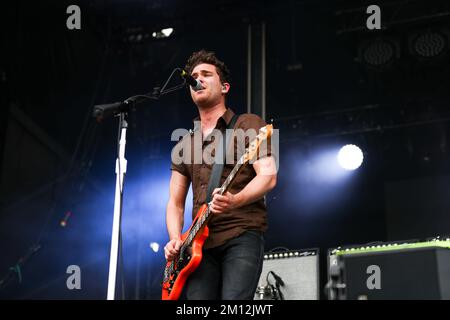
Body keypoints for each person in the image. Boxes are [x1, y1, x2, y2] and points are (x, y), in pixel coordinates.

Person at [164, 50, 277, 300]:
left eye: (206, 74)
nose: (198, 79)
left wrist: (235, 200)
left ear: (224, 87)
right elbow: (175, 202)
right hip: (197, 246)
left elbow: (268, 176)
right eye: (194, 76)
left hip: (241, 232)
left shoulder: (248, 124)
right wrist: (174, 239)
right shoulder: (183, 144)